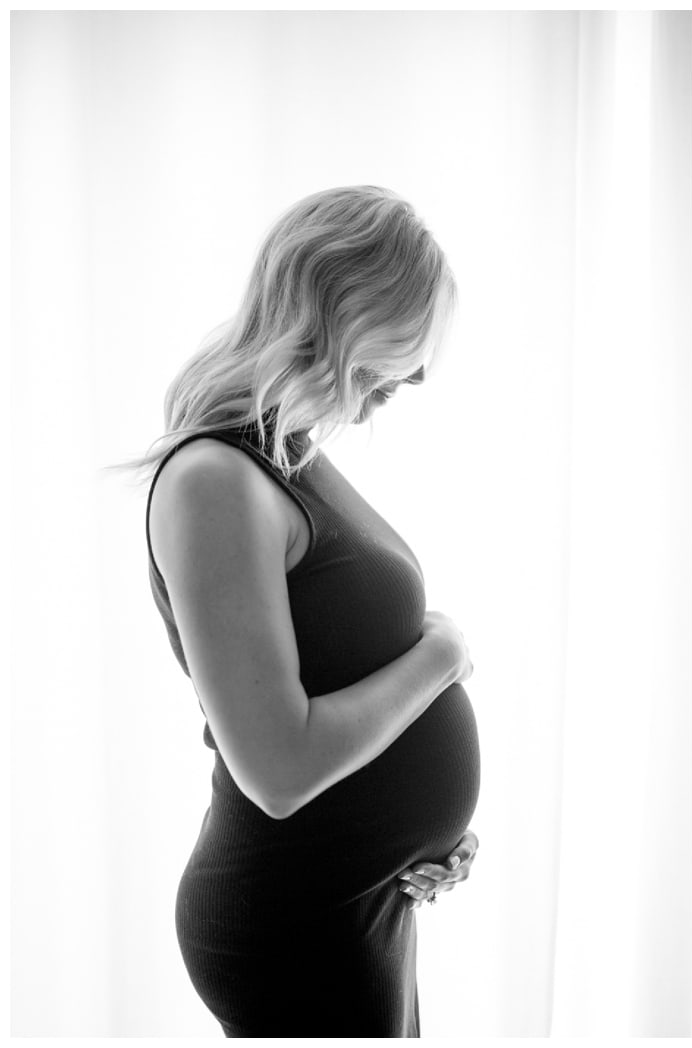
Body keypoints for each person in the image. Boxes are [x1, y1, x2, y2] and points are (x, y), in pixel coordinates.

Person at [136, 186, 481, 1036]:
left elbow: (342, 672)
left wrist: (426, 835)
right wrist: (442, 657)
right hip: (294, 918)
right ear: (340, 315)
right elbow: (279, 769)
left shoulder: (289, 454)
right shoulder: (213, 481)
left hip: (362, 898)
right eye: (403, 345)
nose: (419, 375)